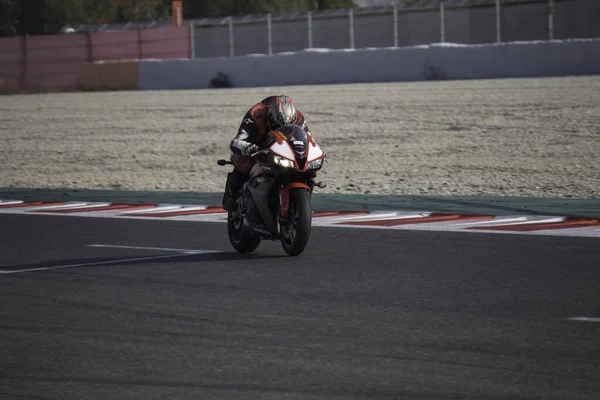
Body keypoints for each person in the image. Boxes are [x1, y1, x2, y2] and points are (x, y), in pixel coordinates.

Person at [222, 94, 317, 211]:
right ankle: (233, 197)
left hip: (282, 149)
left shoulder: (298, 117)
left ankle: (299, 205)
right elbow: (237, 141)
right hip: (257, 146)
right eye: (278, 125)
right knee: (245, 164)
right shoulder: (256, 114)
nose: (281, 128)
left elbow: (308, 139)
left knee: (307, 168)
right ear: (271, 117)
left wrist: (316, 151)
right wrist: (248, 147)